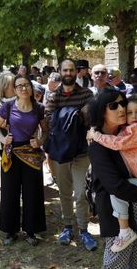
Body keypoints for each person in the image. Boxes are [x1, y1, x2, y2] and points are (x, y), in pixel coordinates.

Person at [87, 90, 137, 268]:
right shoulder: (98, 146)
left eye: (123, 103)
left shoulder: (132, 132)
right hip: (117, 213)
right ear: (102, 112)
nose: (122, 109)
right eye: (114, 105)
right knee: (118, 263)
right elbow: (115, 186)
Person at [45, 59, 97, 251]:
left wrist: (66, 116)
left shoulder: (86, 93)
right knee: (64, 192)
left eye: (71, 70)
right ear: (60, 71)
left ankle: (83, 229)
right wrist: (76, 114)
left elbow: (91, 118)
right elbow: (50, 121)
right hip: (60, 152)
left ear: (77, 72)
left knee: (80, 192)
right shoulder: (53, 95)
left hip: (81, 152)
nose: (68, 73)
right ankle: (68, 227)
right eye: (65, 70)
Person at [0, 75, 47, 246]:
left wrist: (39, 141)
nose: (24, 88)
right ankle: (10, 230)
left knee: (33, 193)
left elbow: (45, 131)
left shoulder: (39, 108)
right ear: (14, 90)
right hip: (11, 154)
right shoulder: (8, 106)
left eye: (26, 85)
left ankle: (31, 231)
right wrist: (3, 140)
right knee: (10, 192)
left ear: (31, 88)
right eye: (19, 86)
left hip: (32, 154)